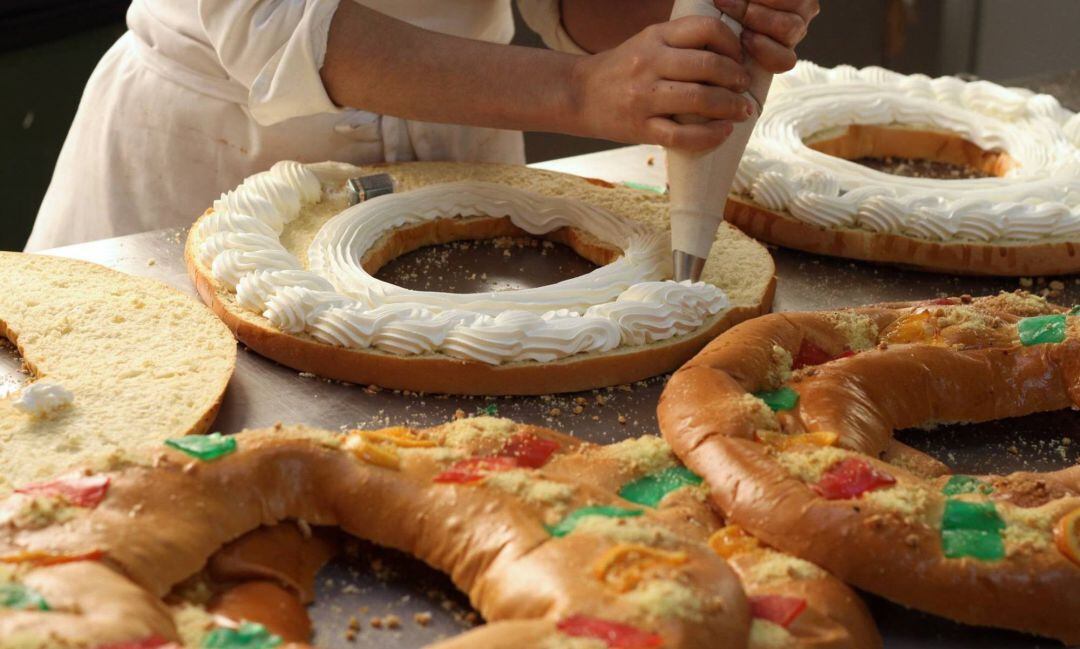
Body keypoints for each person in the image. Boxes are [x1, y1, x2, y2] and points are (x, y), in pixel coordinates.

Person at [26, 0, 819, 251]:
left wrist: (701, 19)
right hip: (211, 158)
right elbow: (275, 26)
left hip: (460, 144)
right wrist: (584, 91)